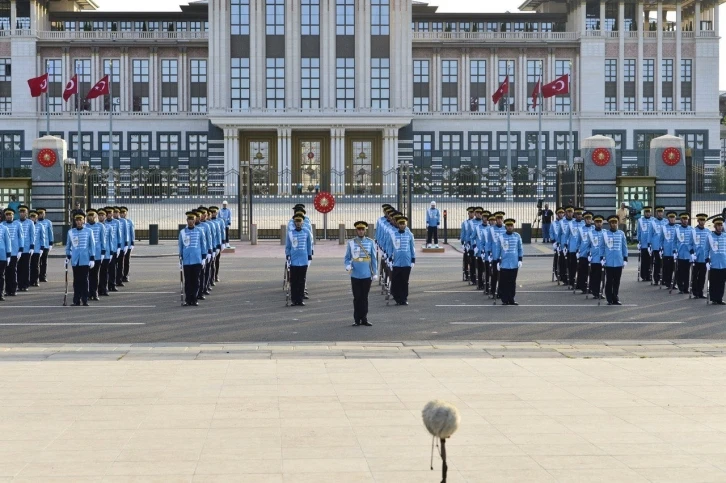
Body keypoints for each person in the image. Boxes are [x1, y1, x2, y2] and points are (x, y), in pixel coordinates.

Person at [344, 221, 378, 326]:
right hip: (355, 274)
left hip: (366, 274)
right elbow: (347, 258)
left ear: (365, 231)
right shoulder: (351, 242)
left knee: (364, 297)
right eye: (359, 229)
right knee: (357, 297)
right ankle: (356, 319)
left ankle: (364, 318)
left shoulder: (370, 242)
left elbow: (373, 258)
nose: (361, 231)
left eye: (362, 229)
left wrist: (375, 272)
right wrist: (347, 266)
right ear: (356, 231)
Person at [65, 212, 96, 307]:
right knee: (76, 281)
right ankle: (76, 300)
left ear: (83, 220)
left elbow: (92, 245)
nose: (79, 222)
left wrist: (92, 258)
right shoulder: (71, 232)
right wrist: (67, 257)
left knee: (84, 280)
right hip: (75, 260)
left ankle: (85, 299)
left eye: (80, 220)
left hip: (85, 259)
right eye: (77, 220)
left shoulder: (89, 231)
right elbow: (68, 246)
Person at [179, 211, 207, 307]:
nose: (190, 221)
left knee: (196, 280)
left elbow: (203, 245)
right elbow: (180, 247)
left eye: (192, 219)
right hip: (187, 261)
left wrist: (204, 258)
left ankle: (194, 298)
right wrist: (180, 259)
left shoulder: (200, 231)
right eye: (189, 219)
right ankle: (188, 299)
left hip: (197, 259)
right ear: (187, 221)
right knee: (188, 281)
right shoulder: (182, 232)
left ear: (194, 220)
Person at [285, 213, 313, 306]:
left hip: (303, 260)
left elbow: (309, 245)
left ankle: (300, 299)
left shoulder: (306, 232)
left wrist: (309, 256)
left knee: (302, 280)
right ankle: (294, 299)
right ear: (294, 222)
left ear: (302, 222)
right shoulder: (290, 233)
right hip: (293, 260)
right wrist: (288, 255)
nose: (298, 223)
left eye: (299, 221)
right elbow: (288, 246)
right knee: (294, 281)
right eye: (296, 221)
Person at [602, 214, 628, 305]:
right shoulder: (605, 234)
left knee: (617, 281)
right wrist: (602, 258)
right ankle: (609, 298)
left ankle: (615, 298)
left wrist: (625, 259)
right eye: (612, 223)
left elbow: (624, 247)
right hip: (608, 262)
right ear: (609, 224)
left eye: (615, 222)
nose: (614, 224)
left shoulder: (621, 233)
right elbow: (602, 247)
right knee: (609, 281)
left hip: (618, 261)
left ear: (617, 223)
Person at [496, 218, 523, 305]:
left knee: (512, 282)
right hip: (504, 263)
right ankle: (504, 299)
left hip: (514, 263)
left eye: (511, 226)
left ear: (513, 226)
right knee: (504, 282)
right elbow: (498, 250)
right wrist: (497, 260)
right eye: (508, 226)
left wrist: (520, 260)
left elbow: (520, 249)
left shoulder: (517, 236)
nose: (510, 227)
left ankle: (511, 299)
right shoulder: (501, 237)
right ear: (505, 227)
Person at [390, 215, 415, 305]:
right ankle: (396, 297)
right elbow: (390, 248)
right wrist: (389, 258)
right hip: (396, 262)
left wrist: (413, 260)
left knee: (405, 281)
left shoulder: (409, 235)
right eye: (400, 224)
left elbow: (412, 248)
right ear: (398, 224)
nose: (402, 225)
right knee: (396, 281)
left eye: (403, 224)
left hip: (406, 262)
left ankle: (404, 298)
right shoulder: (393, 235)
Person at [85, 209, 106, 301]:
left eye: (92, 216)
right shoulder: (85, 226)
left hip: (97, 254)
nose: (91, 217)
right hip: (87, 254)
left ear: (95, 217)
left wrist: (103, 252)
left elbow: (103, 240)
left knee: (95, 274)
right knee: (88, 275)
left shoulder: (100, 226)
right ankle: (88, 293)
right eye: (89, 216)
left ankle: (95, 292)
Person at [2, 208, 23, 297]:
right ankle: (7, 290)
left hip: (14, 252)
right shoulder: (2, 225)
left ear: (13, 215)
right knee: (6, 272)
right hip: (5, 253)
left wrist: (20, 250)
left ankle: (13, 289)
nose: (8, 216)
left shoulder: (17, 224)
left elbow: (21, 237)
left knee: (13, 271)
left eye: (10, 215)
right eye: (7, 215)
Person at [706, 216, 726, 305]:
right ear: (714, 226)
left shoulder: (725, 236)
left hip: (723, 263)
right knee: (714, 282)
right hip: (713, 263)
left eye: (721, 225)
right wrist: (706, 260)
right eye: (718, 225)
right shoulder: (710, 236)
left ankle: (719, 298)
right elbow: (706, 249)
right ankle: (713, 298)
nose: (719, 227)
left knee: (721, 282)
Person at [16, 205, 35, 292]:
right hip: (18, 249)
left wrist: (32, 246)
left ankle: (25, 284)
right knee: (19, 267)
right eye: (21, 212)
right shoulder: (16, 222)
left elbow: (32, 235)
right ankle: (19, 284)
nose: (22, 214)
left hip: (27, 248)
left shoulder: (30, 222)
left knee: (26, 267)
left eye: (24, 212)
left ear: (26, 213)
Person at [675, 212, 695, 294]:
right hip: (680, 254)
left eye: (686, 219)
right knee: (680, 272)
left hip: (688, 254)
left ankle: (686, 288)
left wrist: (693, 252)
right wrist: (674, 251)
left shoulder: (692, 229)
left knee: (687, 272)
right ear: (681, 220)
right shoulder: (677, 229)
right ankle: (681, 287)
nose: (685, 220)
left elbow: (694, 242)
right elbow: (674, 241)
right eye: (683, 219)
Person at [487, 212, 506, 298]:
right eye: (497, 219)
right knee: (494, 275)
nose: (499, 220)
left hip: (503, 257)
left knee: (502, 276)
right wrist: (489, 254)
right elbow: (489, 243)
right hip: (494, 256)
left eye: (500, 218)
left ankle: (501, 291)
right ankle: (493, 291)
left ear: (502, 219)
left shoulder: (505, 229)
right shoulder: (491, 229)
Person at [691, 213, 710, 299]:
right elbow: (690, 243)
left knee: (702, 276)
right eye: (700, 220)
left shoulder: (708, 232)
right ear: (698, 221)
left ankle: (700, 292)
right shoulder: (694, 231)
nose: (702, 222)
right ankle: (695, 292)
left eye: (703, 220)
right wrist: (691, 253)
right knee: (695, 275)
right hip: (696, 257)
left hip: (704, 258)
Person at [587, 214, 606, 299]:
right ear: (594, 223)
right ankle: (595, 291)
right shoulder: (590, 233)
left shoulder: (605, 233)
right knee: (594, 276)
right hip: (594, 259)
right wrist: (588, 254)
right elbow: (587, 245)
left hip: (603, 259)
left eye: (600, 222)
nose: (598, 223)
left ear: (602, 223)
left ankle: (600, 291)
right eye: (597, 222)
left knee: (602, 277)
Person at [575, 211, 593, 294]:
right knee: (583, 271)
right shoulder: (581, 229)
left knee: (592, 272)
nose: (588, 220)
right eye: (587, 219)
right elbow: (578, 242)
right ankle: (583, 287)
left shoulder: (593, 229)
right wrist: (577, 250)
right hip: (583, 253)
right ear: (584, 220)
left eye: (590, 219)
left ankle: (592, 287)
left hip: (592, 254)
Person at [566, 208, 584, 290]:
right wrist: (565, 246)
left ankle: (580, 283)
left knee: (581, 267)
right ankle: (572, 282)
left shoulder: (584, 224)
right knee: (572, 266)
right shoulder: (570, 224)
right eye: (577, 214)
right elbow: (566, 236)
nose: (579, 216)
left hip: (582, 249)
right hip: (572, 249)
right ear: (575, 215)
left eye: (580, 214)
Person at [104, 206, 121, 293]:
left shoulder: (116, 222)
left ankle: (112, 284)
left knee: (113, 268)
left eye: (110, 213)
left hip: (113, 248)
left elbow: (119, 235)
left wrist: (119, 247)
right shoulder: (103, 223)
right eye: (107, 213)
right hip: (105, 250)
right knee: (105, 269)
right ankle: (105, 285)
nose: (109, 215)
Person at [28, 211, 46, 287]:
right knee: (29, 265)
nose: (33, 218)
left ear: (36, 218)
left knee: (36, 265)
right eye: (31, 217)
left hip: (37, 249)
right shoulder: (28, 225)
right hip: (29, 249)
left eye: (34, 217)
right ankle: (30, 280)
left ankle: (36, 280)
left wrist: (42, 247)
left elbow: (43, 237)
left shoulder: (40, 225)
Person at [661, 211, 679, 289]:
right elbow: (661, 239)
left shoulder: (678, 227)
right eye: (670, 218)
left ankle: (674, 283)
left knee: (675, 268)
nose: (672, 219)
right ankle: (668, 282)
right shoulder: (664, 227)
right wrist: (660, 248)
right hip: (667, 251)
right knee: (667, 268)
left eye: (673, 218)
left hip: (675, 252)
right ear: (668, 218)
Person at [650, 207, 667, 285]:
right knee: (657, 263)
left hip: (664, 246)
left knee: (664, 264)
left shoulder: (666, 222)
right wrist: (649, 244)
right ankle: (656, 279)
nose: (660, 214)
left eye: (661, 212)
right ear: (657, 213)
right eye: (658, 212)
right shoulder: (653, 222)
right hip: (656, 246)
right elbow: (650, 234)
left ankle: (664, 279)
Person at [636, 206, 653, 281]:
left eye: (649, 212)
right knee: (644, 261)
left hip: (651, 245)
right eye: (646, 212)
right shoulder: (640, 220)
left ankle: (649, 275)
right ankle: (643, 275)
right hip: (643, 244)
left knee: (650, 261)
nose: (648, 213)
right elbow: (639, 232)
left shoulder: (653, 220)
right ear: (644, 213)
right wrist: (638, 241)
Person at [36, 208, 53, 283]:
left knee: (44, 261)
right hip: (37, 245)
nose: (41, 215)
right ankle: (36, 276)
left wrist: (51, 243)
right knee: (37, 262)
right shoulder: (35, 222)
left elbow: (50, 233)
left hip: (45, 245)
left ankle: (43, 276)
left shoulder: (48, 222)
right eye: (39, 214)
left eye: (42, 213)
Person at [96, 209, 111, 297]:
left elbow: (111, 240)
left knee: (104, 272)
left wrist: (112, 252)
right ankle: (96, 289)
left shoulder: (109, 227)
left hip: (106, 253)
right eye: (99, 215)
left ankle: (104, 288)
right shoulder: (96, 226)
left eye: (103, 215)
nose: (101, 217)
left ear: (105, 216)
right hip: (97, 253)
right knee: (96, 273)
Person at [120, 207, 135, 283]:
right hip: (121, 245)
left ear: (126, 213)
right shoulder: (118, 221)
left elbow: (132, 233)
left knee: (126, 261)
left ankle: (125, 275)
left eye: (124, 212)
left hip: (128, 244)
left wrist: (132, 243)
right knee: (120, 262)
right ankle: (120, 275)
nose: (122, 214)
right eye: (121, 213)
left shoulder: (129, 222)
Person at [551, 207, 565, 282]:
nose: (561, 214)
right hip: (557, 244)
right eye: (559, 213)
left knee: (563, 261)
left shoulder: (565, 222)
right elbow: (551, 233)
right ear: (557, 214)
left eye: (562, 213)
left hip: (563, 244)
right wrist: (553, 242)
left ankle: (563, 275)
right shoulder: (553, 223)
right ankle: (557, 274)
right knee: (557, 260)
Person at [460, 207, 474, 281]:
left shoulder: (477, 222)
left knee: (474, 261)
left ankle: (474, 274)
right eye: (470, 212)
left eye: (472, 212)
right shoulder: (465, 223)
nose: (471, 214)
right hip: (467, 244)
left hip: (474, 245)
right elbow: (463, 234)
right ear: (468, 213)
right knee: (466, 259)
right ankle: (466, 273)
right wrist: (462, 243)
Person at [0, 220, 11, 301]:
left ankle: (1, 293)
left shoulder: (4, 228)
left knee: (1, 276)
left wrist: (8, 255)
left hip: (2, 256)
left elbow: (8, 242)